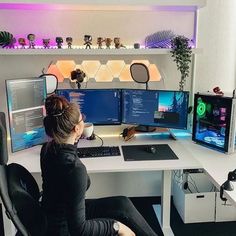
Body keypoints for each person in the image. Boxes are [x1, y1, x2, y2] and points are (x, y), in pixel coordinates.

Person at [40, 94, 158, 236]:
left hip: (57, 213)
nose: (84, 120)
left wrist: (77, 137)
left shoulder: (48, 149)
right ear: (77, 128)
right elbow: (79, 231)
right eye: (82, 118)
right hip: (65, 229)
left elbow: (68, 149)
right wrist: (116, 227)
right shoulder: (74, 170)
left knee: (122, 204)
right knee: (119, 223)